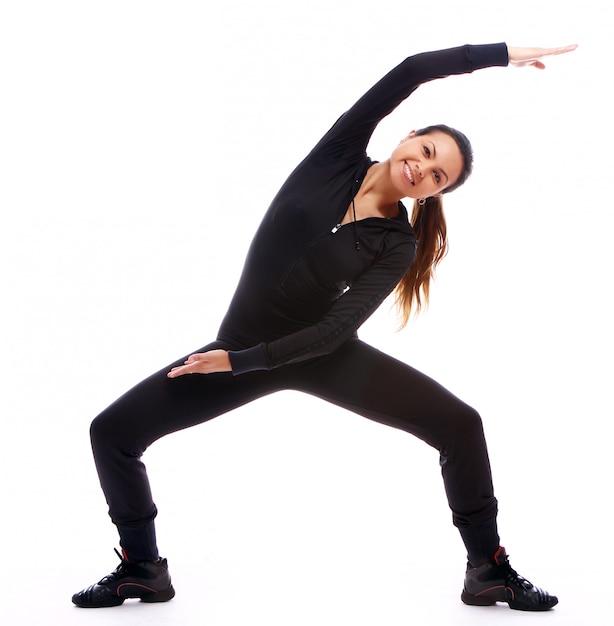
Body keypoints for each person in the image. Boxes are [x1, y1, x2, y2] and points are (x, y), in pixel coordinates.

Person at [72, 41, 577, 611]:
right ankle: (141, 568)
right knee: (111, 432)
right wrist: (502, 54)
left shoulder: (396, 242)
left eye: (437, 177)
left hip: (318, 354)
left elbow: (335, 330)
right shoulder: (336, 154)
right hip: (241, 348)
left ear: (435, 194)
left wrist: (239, 362)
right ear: (408, 134)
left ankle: (489, 570)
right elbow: (410, 70)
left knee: (460, 424)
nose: (422, 168)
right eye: (427, 150)